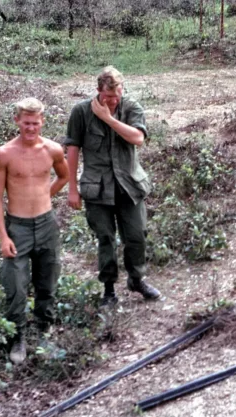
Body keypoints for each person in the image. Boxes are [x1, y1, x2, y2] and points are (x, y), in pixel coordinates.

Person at [65, 66, 161, 307]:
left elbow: (138, 138)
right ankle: (108, 289)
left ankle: (136, 279)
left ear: (122, 89)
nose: (112, 100)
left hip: (129, 185)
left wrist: (108, 118)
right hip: (97, 188)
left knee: (137, 234)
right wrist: (72, 188)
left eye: (116, 95)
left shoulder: (131, 107)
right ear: (98, 91)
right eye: (107, 97)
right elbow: (73, 149)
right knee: (106, 238)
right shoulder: (81, 112)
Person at [0, 97, 69, 364]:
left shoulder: (54, 150)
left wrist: (46, 196)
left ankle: (44, 330)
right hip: (18, 227)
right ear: (17, 121)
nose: (31, 128)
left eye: (35, 123)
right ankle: (18, 338)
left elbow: (65, 175)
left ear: (42, 121)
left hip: (47, 224)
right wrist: (3, 236)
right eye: (26, 123)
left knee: (47, 282)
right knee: (16, 286)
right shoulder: (4, 154)